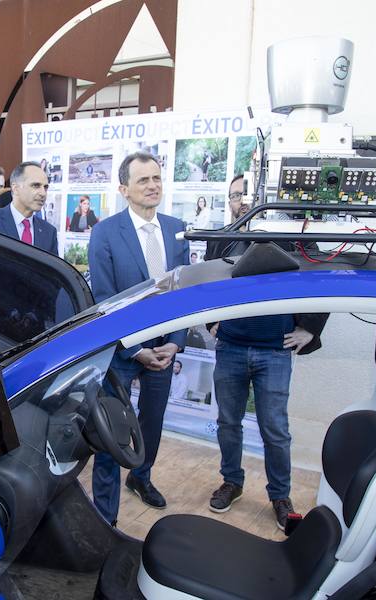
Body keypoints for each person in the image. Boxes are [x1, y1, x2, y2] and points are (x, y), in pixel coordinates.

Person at [204, 172, 328, 531]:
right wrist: (210, 322)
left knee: (275, 429)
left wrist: (310, 328)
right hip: (230, 348)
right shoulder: (223, 240)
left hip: (274, 351)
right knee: (228, 423)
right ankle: (232, 482)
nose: (241, 200)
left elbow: (323, 277)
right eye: (235, 196)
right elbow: (205, 283)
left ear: (263, 197)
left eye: (247, 194)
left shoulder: (294, 236)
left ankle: (280, 496)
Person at [88, 151, 189, 525]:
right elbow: (105, 300)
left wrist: (175, 342)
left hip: (165, 347)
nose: (152, 185)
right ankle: (106, 516)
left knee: (152, 423)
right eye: (143, 180)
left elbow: (185, 293)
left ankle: (141, 478)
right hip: (123, 352)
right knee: (113, 433)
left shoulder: (176, 229)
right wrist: (137, 349)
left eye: (156, 178)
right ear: (123, 189)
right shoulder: (105, 232)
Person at [0, 162, 57, 255]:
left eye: (45, 187)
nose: (43, 193)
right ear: (15, 188)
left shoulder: (49, 232)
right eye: (36, 186)